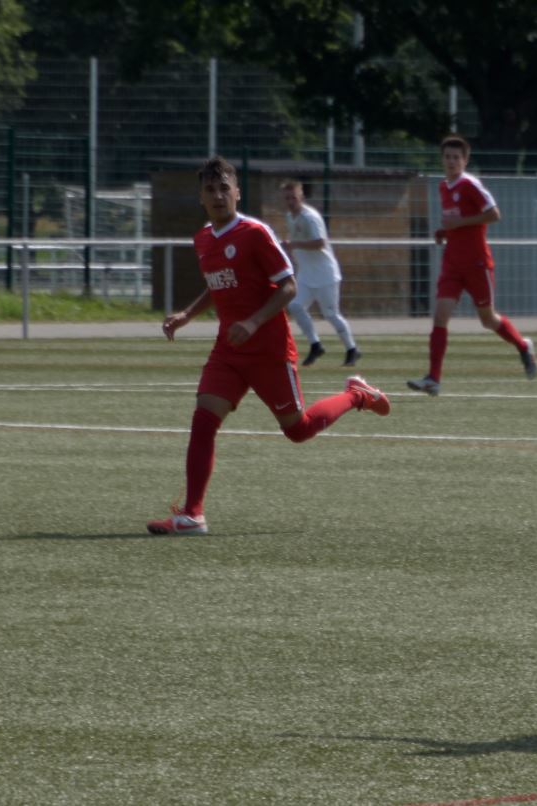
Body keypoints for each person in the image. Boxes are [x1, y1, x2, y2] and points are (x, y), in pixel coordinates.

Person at [147, 157, 391, 536]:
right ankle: (192, 514)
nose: (217, 195)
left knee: (298, 429)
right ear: (201, 196)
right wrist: (187, 315)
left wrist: (254, 321)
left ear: (237, 192)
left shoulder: (255, 232)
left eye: (224, 188)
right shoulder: (203, 239)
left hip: (270, 351)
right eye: (210, 190)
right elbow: (218, 284)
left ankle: (358, 396)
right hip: (229, 351)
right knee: (203, 421)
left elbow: (289, 286)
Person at [406, 134, 537, 396]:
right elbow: (456, 222)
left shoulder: (470, 184)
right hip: (453, 263)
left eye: (457, 157)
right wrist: (446, 232)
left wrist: (459, 224)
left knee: (488, 319)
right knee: (440, 316)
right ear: (442, 160)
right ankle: (433, 379)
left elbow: (494, 214)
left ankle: (523, 346)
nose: (452, 161)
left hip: (477, 263)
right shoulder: (444, 186)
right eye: (447, 157)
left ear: (465, 161)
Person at [279, 180, 361, 367]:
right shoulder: (290, 217)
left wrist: (294, 245)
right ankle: (315, 345)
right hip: (306, 275)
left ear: (301, 197)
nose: (290, 201)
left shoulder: (310, 217)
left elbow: (319, 243)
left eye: (293, 197)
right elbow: (297, 240)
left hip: (325, 275)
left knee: (331, 314)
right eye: (287, 198)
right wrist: (290, 248)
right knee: (295, 306)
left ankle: (352, 349)